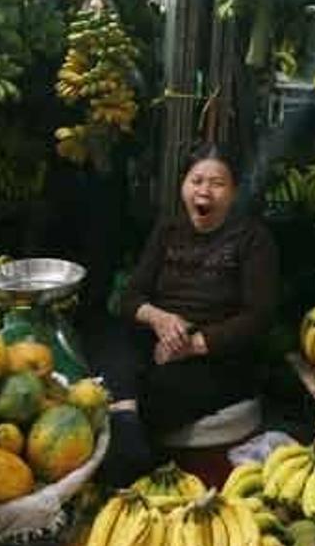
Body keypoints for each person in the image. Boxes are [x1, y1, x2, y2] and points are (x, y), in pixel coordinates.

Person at [98, 146, 279, 484]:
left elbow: (259, 317)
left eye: (217, 183)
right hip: (161, 339)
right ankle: (127, 430)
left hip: (219, 355)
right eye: (196, 181)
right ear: (183, 185)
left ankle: (131, 463)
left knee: (153, 391)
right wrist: (160, 319)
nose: (204, 191)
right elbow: (131, 297)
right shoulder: (168, 230)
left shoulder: (253, 239)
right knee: (108, 341)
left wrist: (192, 345)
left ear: (234, 191)